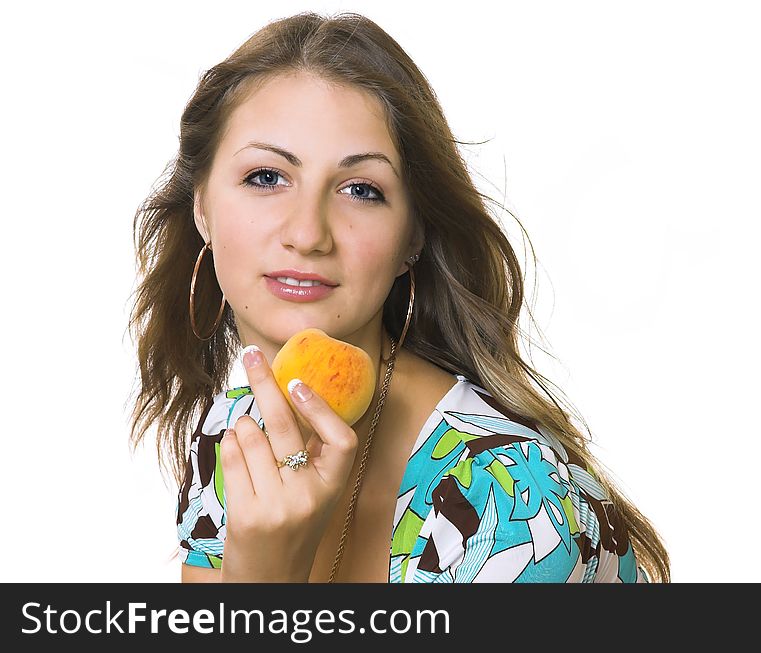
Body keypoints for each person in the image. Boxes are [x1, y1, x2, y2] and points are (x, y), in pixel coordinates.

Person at [127, 11, 671, 583]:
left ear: (412, 236)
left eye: (361, 190)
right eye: (266, 177)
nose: (308, 233)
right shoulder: (233, 436)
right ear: (202, 207)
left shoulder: (510, 503)